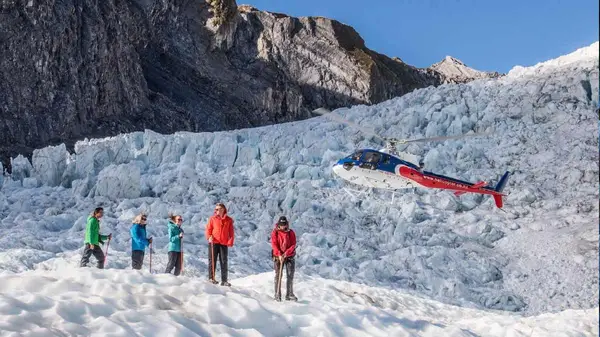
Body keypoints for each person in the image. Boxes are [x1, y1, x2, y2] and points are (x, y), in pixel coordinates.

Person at [205, 202, 234, 286]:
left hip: (223, 243)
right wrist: (209, 236)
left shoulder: (229, 220)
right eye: (216, 209)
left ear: (223, 209)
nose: (217, 210)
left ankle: (224, 281)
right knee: (212, 260)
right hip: (213, 242)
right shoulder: (212, 219)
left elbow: (231, 232)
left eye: (218, 209)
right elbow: (208, 229)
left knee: (224, 261)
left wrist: (230, 241)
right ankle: (211, 278)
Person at [271, 216, 297, 301]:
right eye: (281, 225)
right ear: (278, 224)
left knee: (290, 275)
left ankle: (289, 294)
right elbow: (274, 244)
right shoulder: (275, 232)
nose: (283, 226)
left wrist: (286, 254)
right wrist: (279, 254)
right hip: (277, 256)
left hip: (289, 256)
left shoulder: (291, 232)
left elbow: (293, 245)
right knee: (278, 275)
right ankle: (277, 294)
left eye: (284, 225)